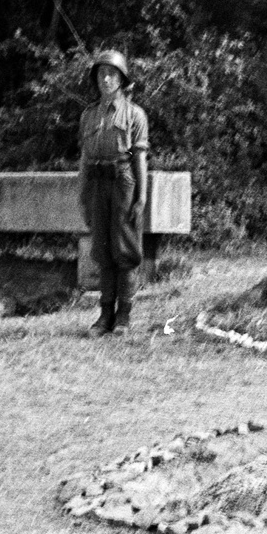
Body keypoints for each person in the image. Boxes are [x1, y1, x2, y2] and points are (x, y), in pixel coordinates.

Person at [78, 48, 149, 335]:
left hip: (123, 181)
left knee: (125, 250)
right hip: (96, 182)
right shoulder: (89, 115)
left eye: (111, 74)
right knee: (102, 250)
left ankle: (124, 316)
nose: (105, 79)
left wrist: (142, 196)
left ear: (122, 79)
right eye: (101, 74)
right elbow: (84, 158)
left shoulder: (135, 114)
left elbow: (140, 157)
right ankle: (104, 315)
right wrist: (82, 194)